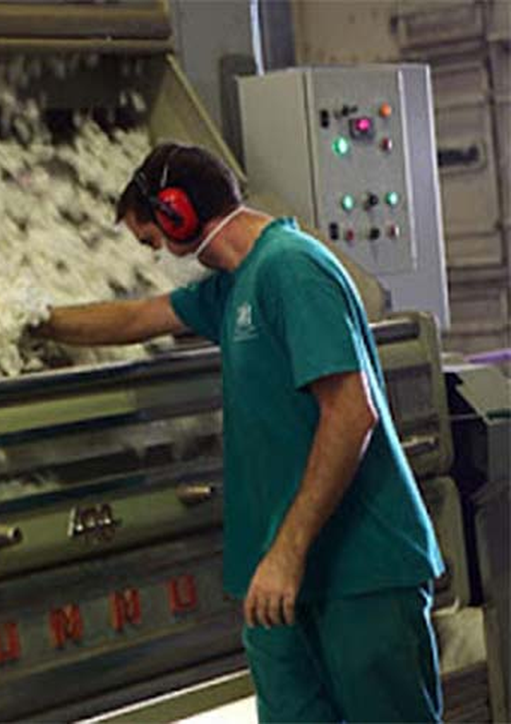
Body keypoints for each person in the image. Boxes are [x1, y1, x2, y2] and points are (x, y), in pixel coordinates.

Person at [34, 142, 444, 722]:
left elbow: (352, 413)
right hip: (278, 579)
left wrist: (288, 552)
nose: (157, 257)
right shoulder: (233, 286)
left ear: (179, 216)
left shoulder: (291, 269)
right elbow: (134, 318)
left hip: (357, 571)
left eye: (153, 241)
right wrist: (28, 319)